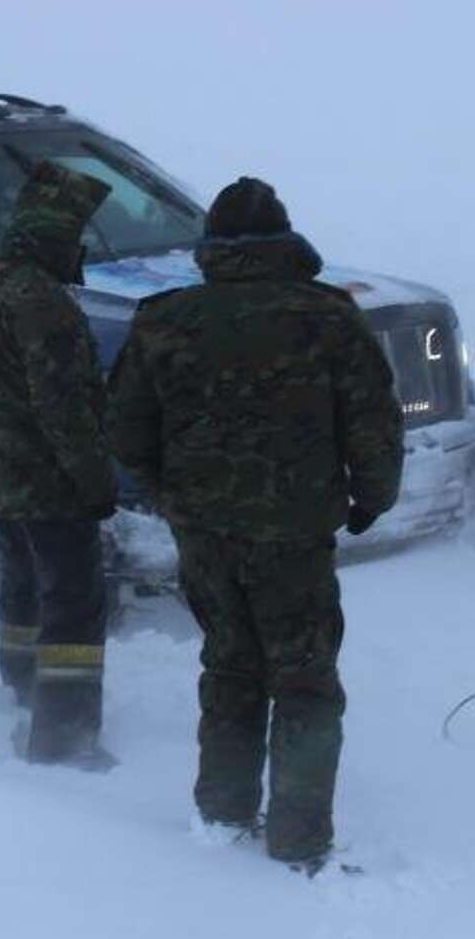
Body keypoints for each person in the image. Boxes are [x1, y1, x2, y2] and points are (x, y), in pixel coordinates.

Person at [107, 177, 403, 869]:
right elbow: (373, 424)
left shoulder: (164, 319)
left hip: (203, 531)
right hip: (293, 534)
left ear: (210, 247)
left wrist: (171, 494)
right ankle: (299, 839)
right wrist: (371, 498)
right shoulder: (329, 317)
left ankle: (223, 812)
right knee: (303, 678)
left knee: (230, 663)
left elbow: (124, 430)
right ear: (286, 239)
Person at [0, 160, 118, 766]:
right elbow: (63, 407)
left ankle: (21, 692)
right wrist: (94, 479)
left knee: (21, 590)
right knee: (73, 605)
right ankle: (65, 738)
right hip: (49, 479)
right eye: (74, 237)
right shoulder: (40, 301)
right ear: (54, 234)